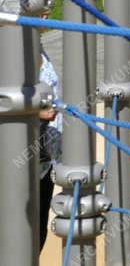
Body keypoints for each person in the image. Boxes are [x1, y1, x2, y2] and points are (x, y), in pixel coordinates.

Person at [38, 49, 61, 253]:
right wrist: (34, 111)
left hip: (46, 159)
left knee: (38, 229)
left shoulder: (41, 51)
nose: (45, 14)